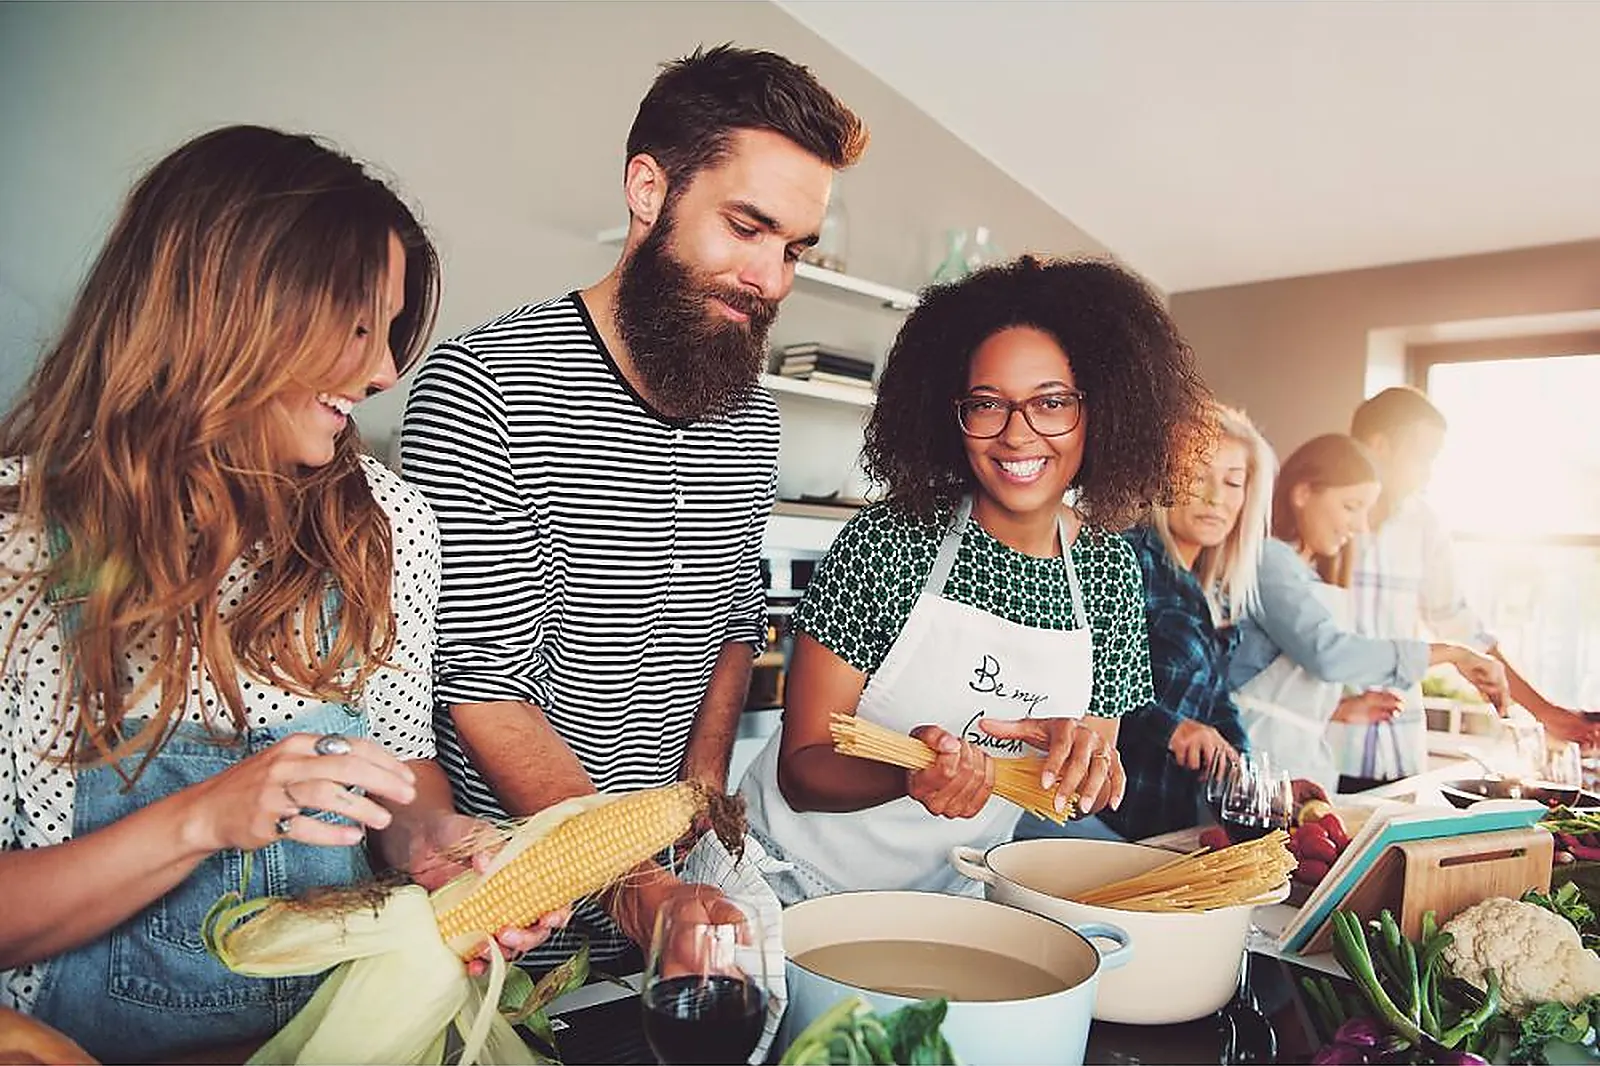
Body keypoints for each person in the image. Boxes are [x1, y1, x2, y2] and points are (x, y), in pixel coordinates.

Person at [0, 126, 563, 1064]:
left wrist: (430, 841)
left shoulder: (385, 523)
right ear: (230, 304)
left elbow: (403, 770)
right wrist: (203, 816)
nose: (386, 371)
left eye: (391, 332)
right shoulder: (18, 541)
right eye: (357, 323)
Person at [399, 45, 867, 970]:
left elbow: (732, 632)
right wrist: (634, 885)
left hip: (668, 899)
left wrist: (694, 822)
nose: (771, 279)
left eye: (794, 249)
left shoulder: (752, 415)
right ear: (648, 190)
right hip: (509, 923)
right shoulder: (481, 385)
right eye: (746, 227)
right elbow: (485, 693)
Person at [739, 255, 1209, 902]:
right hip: (782, 885)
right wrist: (911, 774)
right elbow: (802, 769)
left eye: (1050, 403)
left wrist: (1084, 769)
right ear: (951, 415)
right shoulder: (888, 542)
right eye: (988, 405)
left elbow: (1083, 787)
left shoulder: (1108, 572)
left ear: (1101, 411)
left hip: (940, 902)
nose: (1017, 436)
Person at [1332, 386, 1594, 787]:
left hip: (1399, 754)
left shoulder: (1424, 523)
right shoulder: (1317, 524)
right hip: (1324, 749)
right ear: (1378, 445)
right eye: (1423, 458)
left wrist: (1544, 711)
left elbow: (1460, 626)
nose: (1429, 473)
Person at [1229, 433, 1507, 795]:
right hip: (1258, 762)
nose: (1361, 527)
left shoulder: (1306, 573)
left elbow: (1280, 679)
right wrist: (1452, 654)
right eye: (1351, 506)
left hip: (1299, 764)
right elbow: (1327, 653)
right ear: (1302, 493)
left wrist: (1337, 707)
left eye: (1365, 511)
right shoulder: (1269, 560)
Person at [1075, 404, 1275, 844]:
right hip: (1098, 821)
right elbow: (1081, 684)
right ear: (1161, 478)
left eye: (1233, 482)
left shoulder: (1215, 592)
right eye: (1198, 475)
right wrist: (1173, 728)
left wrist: (1254, 783)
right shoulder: (1122, 559)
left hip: (1167, 827)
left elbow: (1217, 701)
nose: (1215, 498)